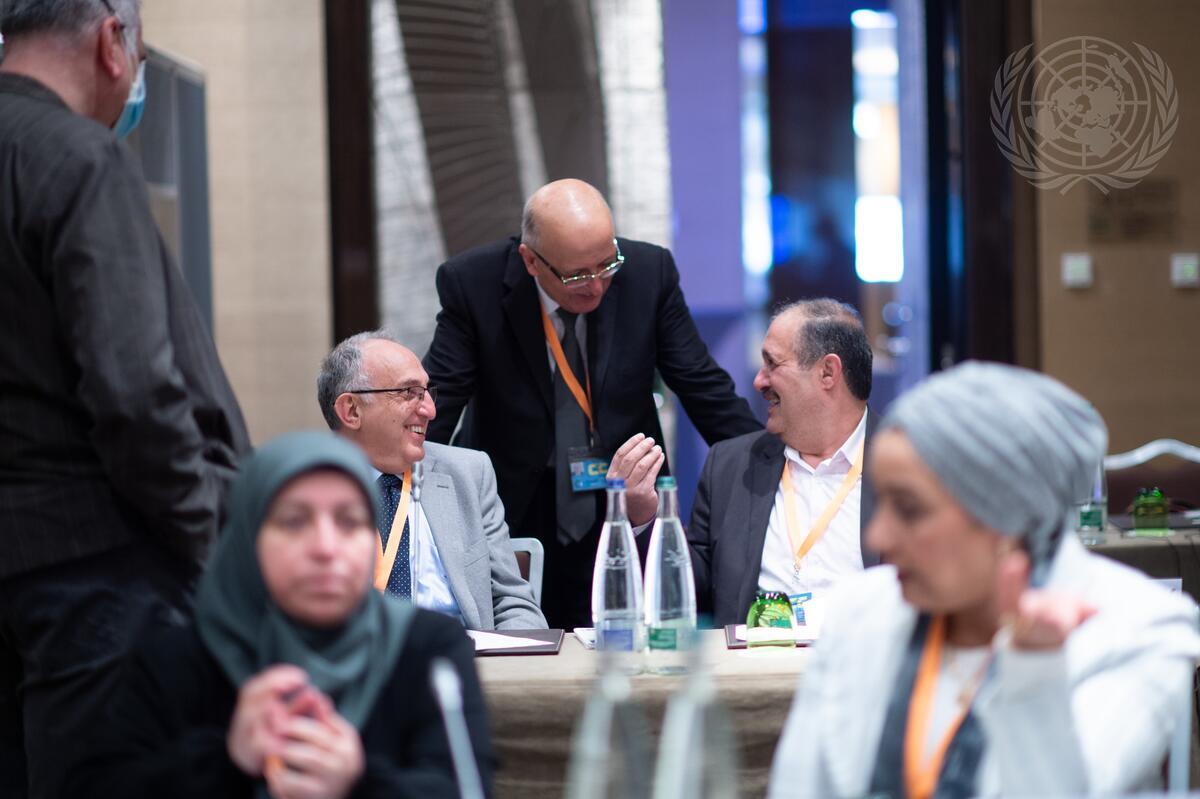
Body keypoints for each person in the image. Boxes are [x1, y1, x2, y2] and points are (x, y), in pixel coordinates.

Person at [0, 2, 249, 795]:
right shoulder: (79, 156)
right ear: (114, 41)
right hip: (99, 581)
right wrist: (205, 535)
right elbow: (135, 394)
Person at [768, 362, 1200, 798]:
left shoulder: (1139, 629)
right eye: (883, 503)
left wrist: (1035, 675)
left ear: (1006, 518)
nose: (878, 536)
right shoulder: (861, 612)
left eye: (909, 509)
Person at [69, 431, 494, 798]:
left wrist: (359, 782)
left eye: (350, 522)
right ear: (247, 537)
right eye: (294, 522)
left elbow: (467, 788)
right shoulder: (180, 656)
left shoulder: (426, 649)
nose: (325, 548)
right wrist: (228, 759)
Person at [423, 178, 761, 628]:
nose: (597, 286)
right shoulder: (473, 283)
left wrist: (768, 465)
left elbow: (703, 386)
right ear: (530, 260)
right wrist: (398, 477)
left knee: (623, 640)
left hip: (622, 499)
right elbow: (437, 402)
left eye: (607, 264)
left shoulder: (648, 273)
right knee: (523, 645)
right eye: (578, 275)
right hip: (513, 505)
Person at [320, 332, 546, 631]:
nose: (430, 410)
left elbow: (513, 603)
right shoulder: (302, 493)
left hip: (465, 654)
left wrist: (506, 657)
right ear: (351, 410)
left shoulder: (468, 473)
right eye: (409, 393)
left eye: (427, 392)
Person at [687, 299, 879, 627]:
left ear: (827, 372)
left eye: (772, 364)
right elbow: (692, 590)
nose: (759, 381)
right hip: (756, 659)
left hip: (865, 657)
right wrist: (644, 519)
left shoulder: (910, 468)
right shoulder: (730, 466)